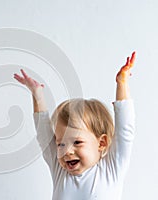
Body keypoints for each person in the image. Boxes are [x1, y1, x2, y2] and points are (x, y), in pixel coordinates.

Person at [14, 52, 136, 199]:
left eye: (77, 142)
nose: (67, 151)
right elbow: (44, 134)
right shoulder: (59, 169)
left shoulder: (111, 169)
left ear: (101, 142)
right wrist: (37, 94)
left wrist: (122, 84)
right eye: (60, 144)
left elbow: (125, 132)